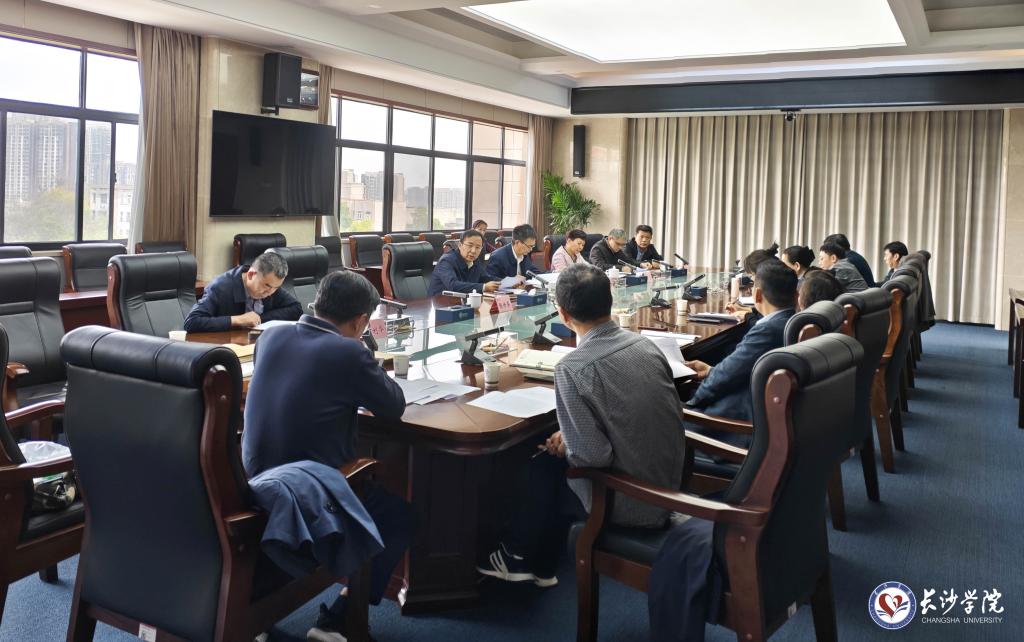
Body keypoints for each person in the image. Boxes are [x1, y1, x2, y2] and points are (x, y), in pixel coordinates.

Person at [477, 263, 686, 587]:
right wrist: (572, 434)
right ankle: (540, 565)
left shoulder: (572, 367)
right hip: (667, 483)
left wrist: (571, 443)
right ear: (610, 300)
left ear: (562, 314)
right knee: (551, 457)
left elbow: (591, 458)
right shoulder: (645, 345)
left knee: (539, 464)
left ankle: (518, 557)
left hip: (632, 501)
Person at [242, 270, 413, 642]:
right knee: (398, 516)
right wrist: (366, 354)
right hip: (304, 497)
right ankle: (337, 621)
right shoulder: (350, 352)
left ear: (317, 303)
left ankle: (252, 616)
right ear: (361, 322)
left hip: (251, 483)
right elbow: (393, 406)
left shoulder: (271, 336)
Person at [686, 259, 797, 439]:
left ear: (757, 295)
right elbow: (734, 370)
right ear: (796, 295)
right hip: (769, 414)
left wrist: (689, 405)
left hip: (739, 425)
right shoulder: (794, 322)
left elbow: (724, 377)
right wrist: (710, 370)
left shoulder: (768, 330)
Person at [184, 250, 301, 333]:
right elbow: (191, 322)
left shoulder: (271, 286)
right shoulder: (220, 287)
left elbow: (296, 309)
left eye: (276, 287)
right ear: (251, 274)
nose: (270, 292)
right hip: (224, 348)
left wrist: (259, 318)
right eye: (267, 286)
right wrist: (238, 320)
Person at [429, 229, 500, 295]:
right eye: (470, 245)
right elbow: (453, 285)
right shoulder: (446, 261)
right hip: (440, 301)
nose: (473, 251)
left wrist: (503, 282)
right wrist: (484, 287)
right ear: (460, 245)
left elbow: (486, 278)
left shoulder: (475, 261)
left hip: (463, 301)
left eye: (478, 247)